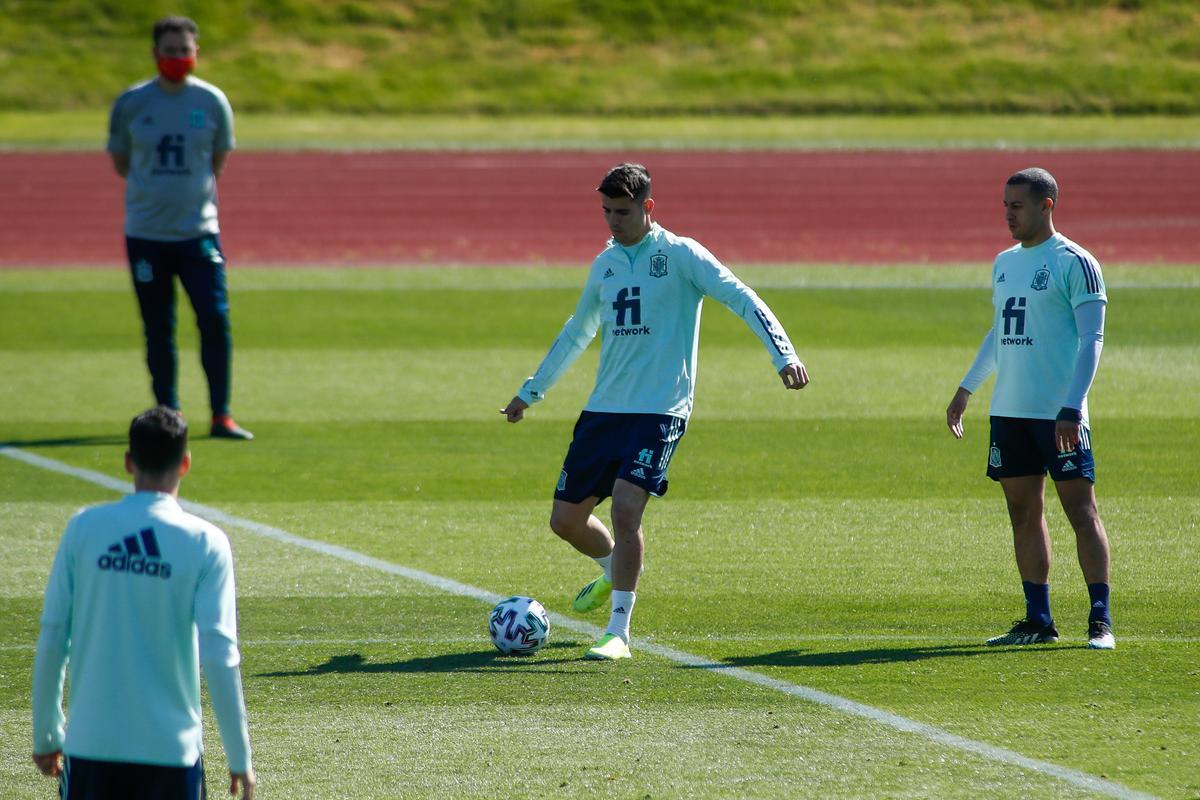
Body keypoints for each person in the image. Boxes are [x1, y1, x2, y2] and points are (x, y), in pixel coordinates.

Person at [501, 163, 809, 660]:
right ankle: (612, 569)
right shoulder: (604, 265)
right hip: (605, 410)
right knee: (565, 521)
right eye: (605, 211)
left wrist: (784, 354)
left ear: (648, 208)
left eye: (621, 212)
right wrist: (530, 392)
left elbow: (740, 297)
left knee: (625, 507)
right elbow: (578, 330)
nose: (611, 221)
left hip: (661, 410)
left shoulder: (681, 254)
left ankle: (618, 633)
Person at [31, 407, 255, 799]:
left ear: (128, 462)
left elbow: (53, 638)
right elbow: (220, 655)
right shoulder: (206, 542)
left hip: (90, 747)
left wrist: (47, 733)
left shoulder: (84, 529)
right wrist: (239, 758)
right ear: (185, 463)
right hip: (172, 752)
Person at [946, 167, 1115, 650]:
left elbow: (1092, 340)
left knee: (1081, 512)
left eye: (1016, 206)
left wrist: (1072, 407)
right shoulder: (1003, 262)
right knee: (1022, 511)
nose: (1007, 215)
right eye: (1004, 205)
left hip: (1058, 414)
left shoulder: (1075, 262)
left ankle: (1100, 619)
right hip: (1011, 412)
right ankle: (1038, 619)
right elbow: (1000, 331)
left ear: (1047, 205)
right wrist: (967, 388)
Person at [108, 16, 252, 440]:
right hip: (147, 236)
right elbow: (121, 162)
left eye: (184, 50)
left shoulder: (210, 101)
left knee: (214, 318)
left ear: (196, 53)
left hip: (198, 233)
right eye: (170, 51)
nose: (177, 58)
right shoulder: (132, 103)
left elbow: (219, 159)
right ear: (156, 54)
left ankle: (221, 414)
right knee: (158, 326)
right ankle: (169, 415)